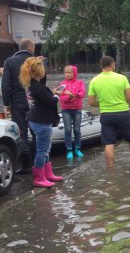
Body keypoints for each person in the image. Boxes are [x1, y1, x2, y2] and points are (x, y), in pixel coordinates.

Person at [19, 57, 64, 187]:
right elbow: (51, 101)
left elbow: (43, 85)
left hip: (36, 119)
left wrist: (51, 93)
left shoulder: (33, 83)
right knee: (42, 150)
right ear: (39, 71)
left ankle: (47, 174)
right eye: (43, 67)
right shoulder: (38, 88)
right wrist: (57, 95)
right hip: (41, 121)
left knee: (46, 149)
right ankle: (39, 178)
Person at [87, 56, 130, 168]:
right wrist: (122, 102)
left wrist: (103, 104)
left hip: (106, 114)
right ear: (112, 65)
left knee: (109, 143)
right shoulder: (122, 78)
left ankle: (111, 171)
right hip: (123, 112)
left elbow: (91, 102)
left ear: (101, 66)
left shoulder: (94, 80)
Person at [2, 38, 42, 173]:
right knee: (37, 132)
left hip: (17, 103)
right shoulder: (36, 62)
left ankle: (26, 165)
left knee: (22, 133)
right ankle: (39, 162)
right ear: (31, 49)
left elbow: (5, 84)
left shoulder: (10, 61)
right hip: (36, 101)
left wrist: (7, 103)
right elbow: (43, 81)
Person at [58, 65, 86, 160]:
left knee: (77, 130)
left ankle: (77, 148)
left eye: (70, 72)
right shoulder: (62, 84)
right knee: (68, 130)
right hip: (66, 110)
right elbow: (61, 98)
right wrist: (68, 97)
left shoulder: (80, 83)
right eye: (66, 72)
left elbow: (82, 93)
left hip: (77, 109)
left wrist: (73, 95)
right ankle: (69, 149)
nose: (67, 74)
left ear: (74, 73)